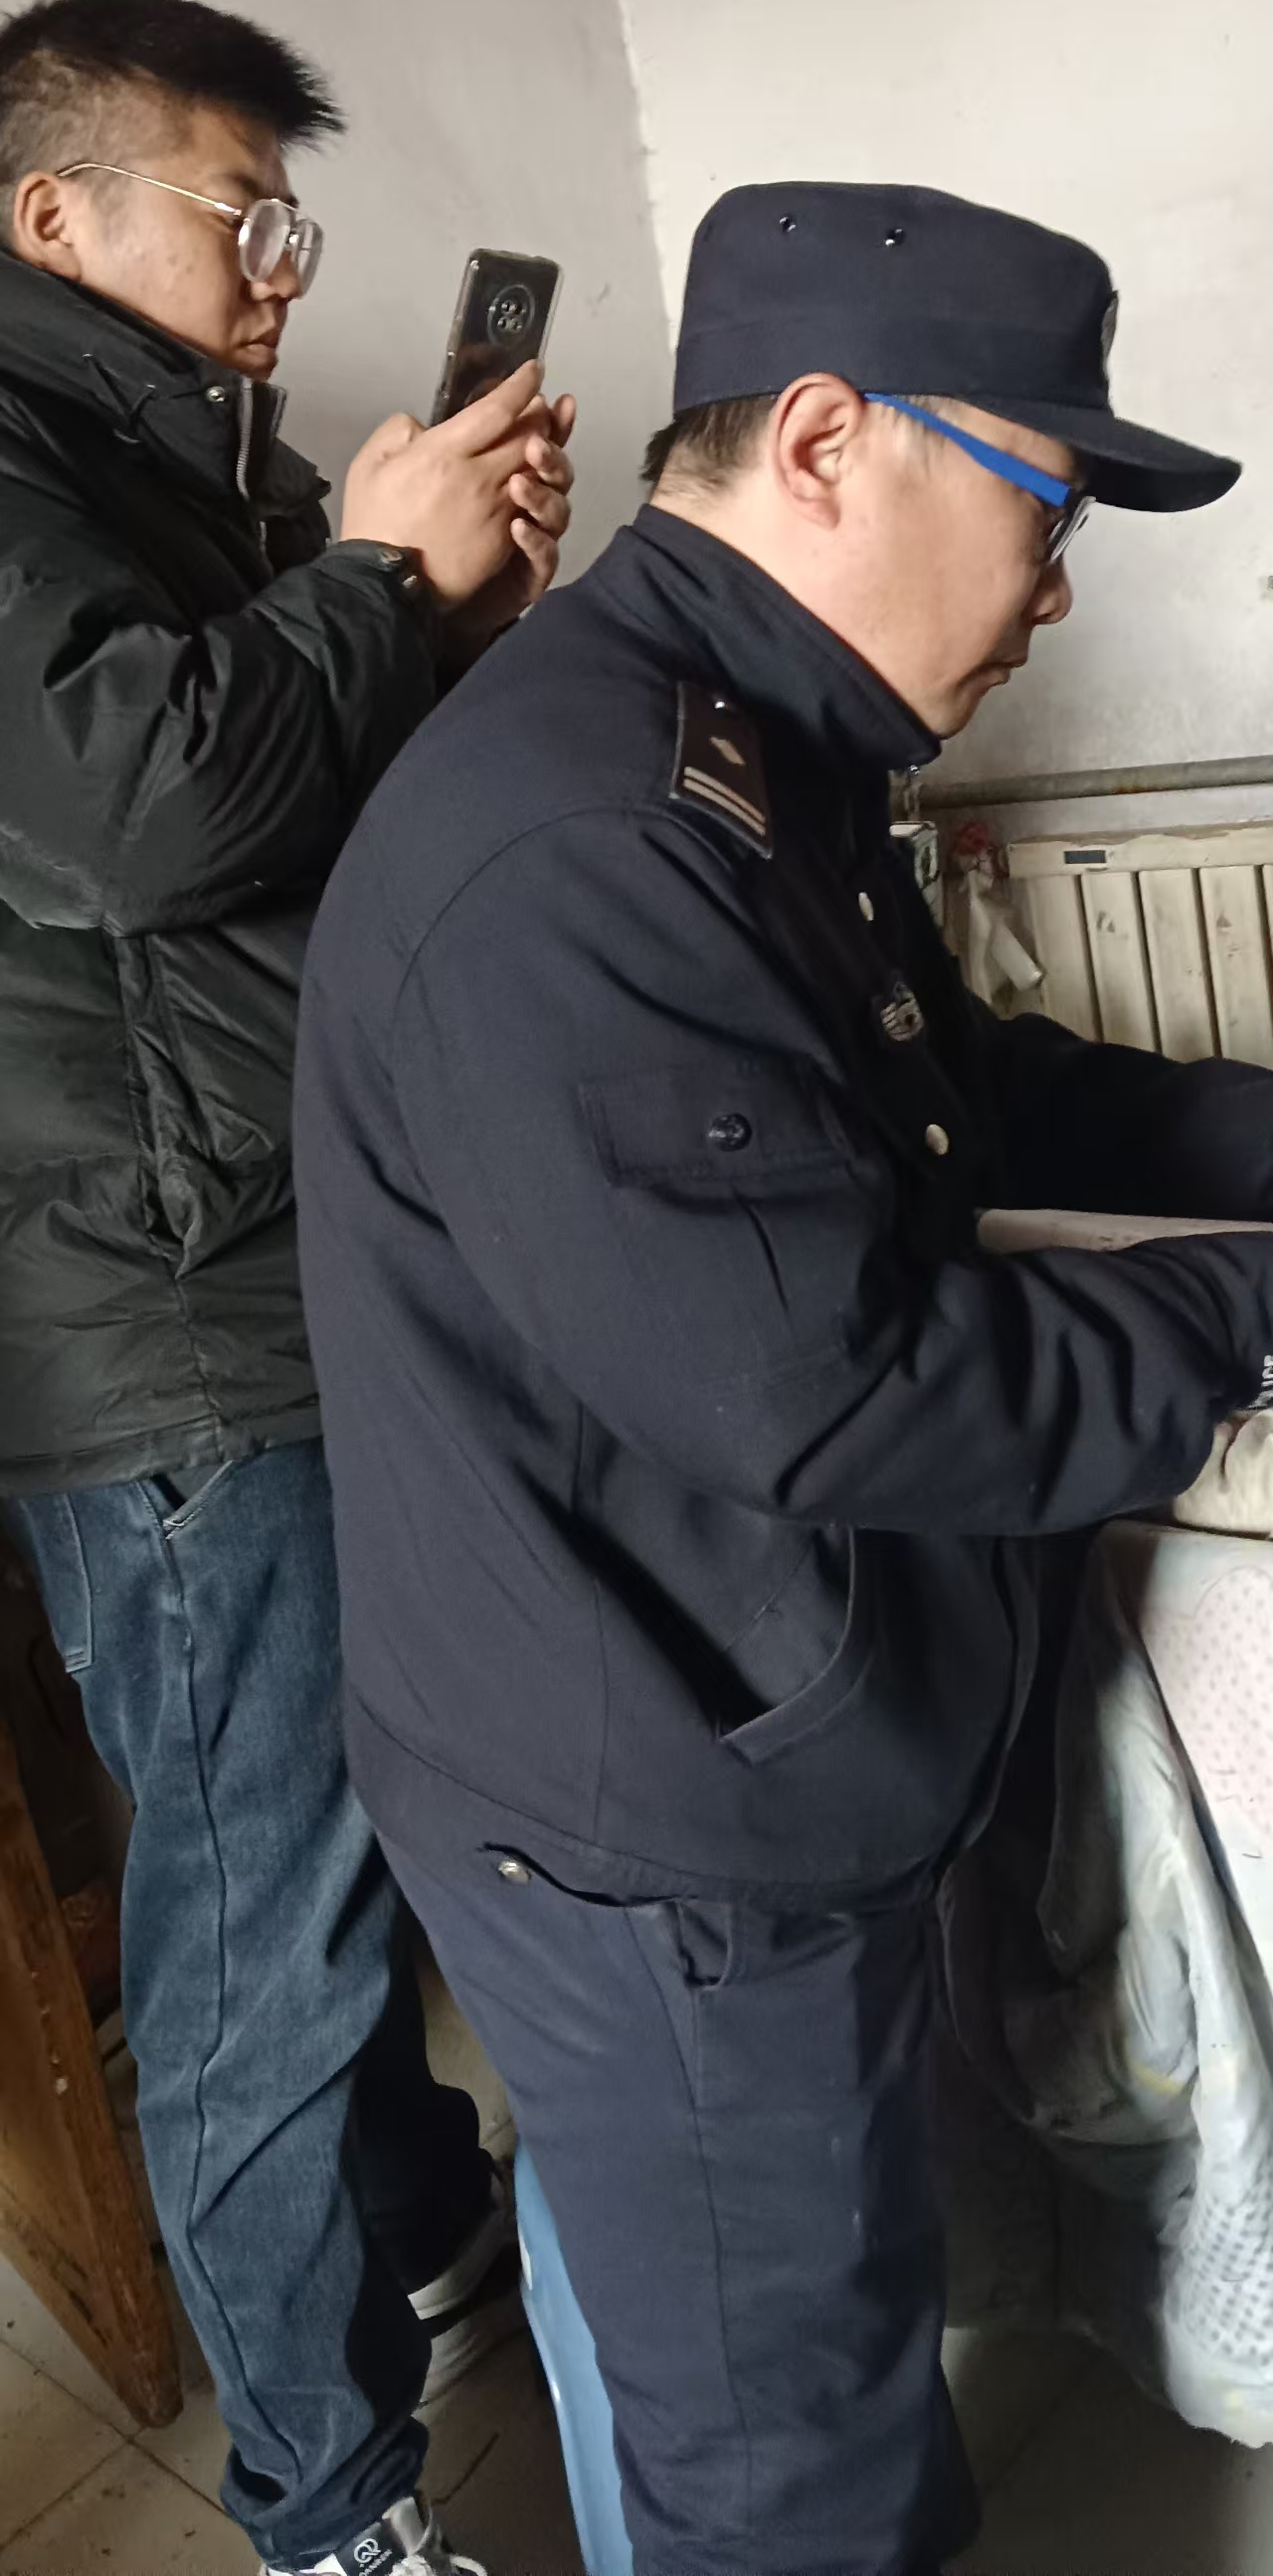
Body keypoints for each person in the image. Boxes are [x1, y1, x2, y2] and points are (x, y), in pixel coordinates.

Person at [293, 176, 1273, 2576]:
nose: (1056, 584)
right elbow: (838, 1393)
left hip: (677, 1701)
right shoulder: (599, 835)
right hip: (655, 1807)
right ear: (828, 440)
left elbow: (948, 1096)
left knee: (719, 2337)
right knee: (795, 2459)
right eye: (1048, 501)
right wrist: (1244, 1303)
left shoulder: (745, 743)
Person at [0, 0, 574, 2576]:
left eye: (287, 224)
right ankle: (331, 2507)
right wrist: (366, 576)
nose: (275, 271)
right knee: (260, 1933)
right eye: (242, 215)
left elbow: (283, 820)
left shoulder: (178, 475)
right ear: (53, 215)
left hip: (284, 1250)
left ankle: (420, 2226)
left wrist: (438, 624)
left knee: (335, 1855)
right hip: (163, 1319)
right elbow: (137, 812)